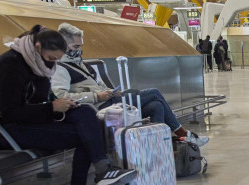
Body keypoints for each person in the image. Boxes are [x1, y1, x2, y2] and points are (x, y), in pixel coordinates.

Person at [0, 25, 137, 185]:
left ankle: (103, 169)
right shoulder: (9, 64)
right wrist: (52, 107)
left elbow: (44, 97)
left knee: (86, 112)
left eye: (56, 60)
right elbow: (11, 112)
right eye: (51, 58)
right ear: (38, 47)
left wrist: (61, 103)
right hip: (11, 128)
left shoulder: (41, 63)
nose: (52, 64)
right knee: (83, 136)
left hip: (37, 119)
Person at [51, 23, 208, 147]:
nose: (79, 51)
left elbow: (97, 84)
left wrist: (109, 91)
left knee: (156, 106)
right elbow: (61, 96)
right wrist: (96, 96)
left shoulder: (81, 65)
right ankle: (183, 133)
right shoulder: (61, 69)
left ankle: (155, 145)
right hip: (102, 108)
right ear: (63, 46)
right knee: (153, 93)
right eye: (75, 47)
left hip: (111, 102)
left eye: (80, 46)